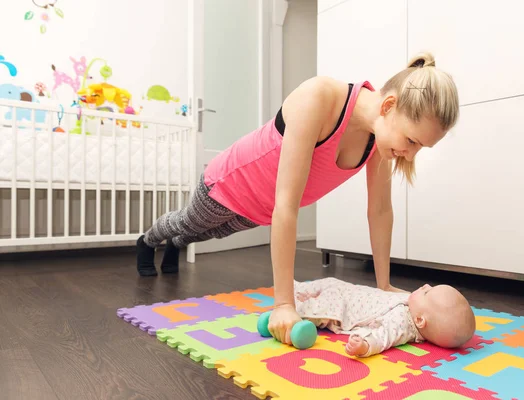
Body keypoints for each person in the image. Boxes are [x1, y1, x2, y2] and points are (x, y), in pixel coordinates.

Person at [135, 51, 460, 346]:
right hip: (229, 184)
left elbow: (379, 210)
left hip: (261, 209)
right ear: (388, 106)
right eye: (411, 141)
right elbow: (287, 203)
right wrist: (283, 305)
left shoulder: (379, 138)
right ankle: (149, 240)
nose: (410, 153)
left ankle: (176, 244)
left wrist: (384, 286)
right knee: (189, 224)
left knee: (207, 234)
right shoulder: (318, 98)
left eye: (420, 147)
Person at [293, 277, 476, 357]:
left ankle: (289, 303)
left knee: (312, 309)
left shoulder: (403, 324)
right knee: (329, 283)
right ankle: (297, 287)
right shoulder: (415, 306)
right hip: (352, 292)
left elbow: (382, 337)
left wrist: (364, 346)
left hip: (343, 309)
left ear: (420, 320)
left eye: (427, 293)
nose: (426, 285)